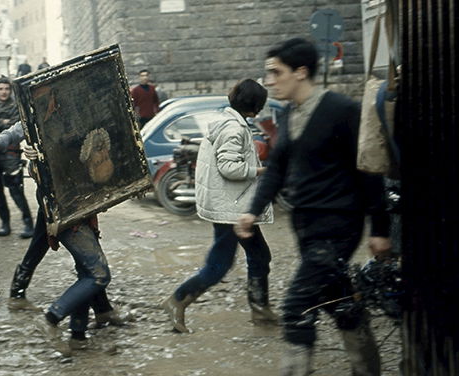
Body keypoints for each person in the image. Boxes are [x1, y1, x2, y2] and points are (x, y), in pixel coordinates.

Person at [235, 38, 391, 376]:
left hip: (337, 226)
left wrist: (380, 229)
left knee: (295, 308)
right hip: (307, 227)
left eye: (276, 72)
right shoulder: (292, 114)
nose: (269, 81)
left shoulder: (341, 110)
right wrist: (253, 210)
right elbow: (276, 168)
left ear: (301, 72)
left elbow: (369, 170)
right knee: (339, 303)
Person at [0, 122, 131, 354]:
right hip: (62, 204)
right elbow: (13, 134)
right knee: (98, 273)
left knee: (87, 269)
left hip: (83, 200)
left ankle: (79, 333)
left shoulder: (87, 110)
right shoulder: (39, 110)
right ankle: (50, 319)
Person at [161, 79, 277, 333]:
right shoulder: (233, 129)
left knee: (259, 256)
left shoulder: (230, 122)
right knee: (219, 265)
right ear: (256, 106)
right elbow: (229, 168)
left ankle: (260, 309)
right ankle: (177, 300)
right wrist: (262, 171)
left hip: (233, 205)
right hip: (230, 210)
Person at [0, 77, 34, 239]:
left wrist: (0, 123)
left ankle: (28, 223)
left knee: (16, 190)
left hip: (11, 154)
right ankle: (5, 223)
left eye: (6, 89)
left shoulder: (16, 107)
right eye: (0, 89)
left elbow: (15, 127)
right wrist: (2, 123)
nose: (4, 92)